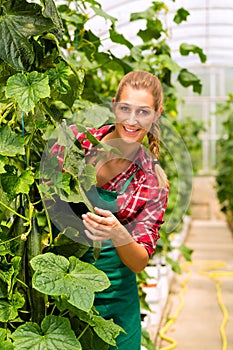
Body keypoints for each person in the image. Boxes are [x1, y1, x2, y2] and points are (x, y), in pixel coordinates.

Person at [52, 70, 169, 349]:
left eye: (143, 112)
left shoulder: (152, 179)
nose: (131, 120)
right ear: (114, 105)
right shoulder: (78, 146)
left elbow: (140, 261)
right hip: (62, 300)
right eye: (125, 108)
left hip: (116, 306)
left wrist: (119, 233)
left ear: (156, 114)